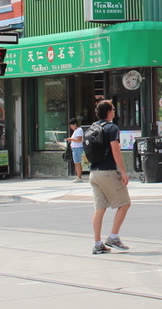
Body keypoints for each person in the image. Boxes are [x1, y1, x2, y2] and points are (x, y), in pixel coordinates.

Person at [88, 100, 130, 255]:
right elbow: (115, 151)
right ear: (108, 112)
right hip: (108, 172)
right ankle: (113, 237)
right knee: (125, 203)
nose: (114, 111)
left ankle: (97, 243)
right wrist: (123, 172)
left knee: (99, 208)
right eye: (112, 109)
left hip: (94, 173)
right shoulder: (112, 128)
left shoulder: (92, 128)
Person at [68, 118, 84, 182]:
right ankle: (78, 176)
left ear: (75, 124)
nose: (71, 128)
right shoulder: (76, 131)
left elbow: (79, 140)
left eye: (71, 126)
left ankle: (79, 177)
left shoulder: (79, 130)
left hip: (77, 148)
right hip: (75, 148)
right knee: (76, 162)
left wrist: (71, 139)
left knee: (77, 162)